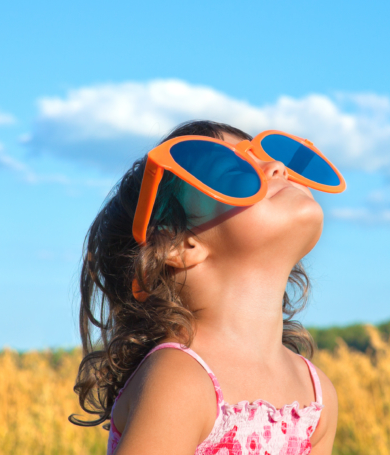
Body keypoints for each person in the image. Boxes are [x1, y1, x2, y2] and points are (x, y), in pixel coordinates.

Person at [69, 120, 340, 455]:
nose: (277, 166)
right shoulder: (179, 379)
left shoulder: (316, 394)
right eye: (237, 175)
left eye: (264, 155)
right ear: (176, 243)